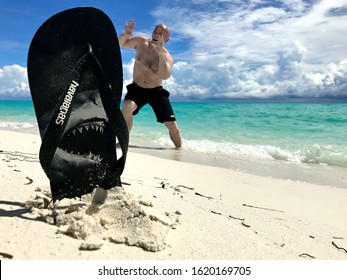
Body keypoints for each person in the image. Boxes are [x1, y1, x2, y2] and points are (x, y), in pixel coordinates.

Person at [118, 19, 182, 148]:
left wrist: (160, 54)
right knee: (126, 108)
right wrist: (126, 33)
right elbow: (122, 44)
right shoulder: (141, 42)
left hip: (156, 91)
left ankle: (179, 149)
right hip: (137, 88)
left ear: (167, 40)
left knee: (171, 125)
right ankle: (123, 142)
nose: (156, 35)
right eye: (155, 31)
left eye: (160, 34)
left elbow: (165, 75)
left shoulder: (167, 57)